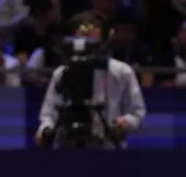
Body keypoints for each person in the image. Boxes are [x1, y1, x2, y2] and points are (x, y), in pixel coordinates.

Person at [35, 13, 147, 149]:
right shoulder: (62, 72)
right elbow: (48, 114)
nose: (86, 32)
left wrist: (126, 122)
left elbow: (137, 112)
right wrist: (44, 130)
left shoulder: (121, 71)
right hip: (67, 147)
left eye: (92, 28)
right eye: (81, 29)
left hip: (108, 146)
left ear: (106, 36)